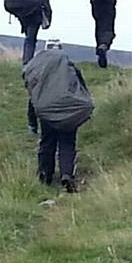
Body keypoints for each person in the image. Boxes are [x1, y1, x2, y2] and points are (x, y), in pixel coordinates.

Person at [23, 40, 94, 193]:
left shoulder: (38, 70)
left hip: (47, 110)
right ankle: (66, 174)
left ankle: (44, 175)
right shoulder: (69, 67)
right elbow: (82, 89)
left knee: (47, 142)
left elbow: (33, 98)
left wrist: (32, 123)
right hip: (70, 110)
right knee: (67, 142)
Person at [18, 0, 52, 134]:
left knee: (28, 38)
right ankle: (28, 61)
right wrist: (48, 18)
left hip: (23, 13)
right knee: (31, 38)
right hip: (35, 15)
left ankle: (26, 60)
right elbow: (46, 2)